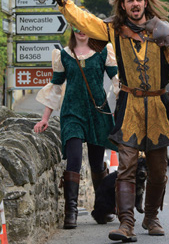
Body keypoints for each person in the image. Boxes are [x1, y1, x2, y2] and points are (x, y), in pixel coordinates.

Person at [38, 0, 169, 242]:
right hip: (130, 105)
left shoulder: (164, 31)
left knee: (158, 172)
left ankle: (151, 216)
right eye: (129, 1)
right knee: (126, 167)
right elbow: (83, 20)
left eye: (138, 0)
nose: (135, 4)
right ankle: (126, 224)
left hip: (158, 106)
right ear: (122, 5)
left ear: (145, 2)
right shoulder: (113, 29)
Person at [34, 26, 119, 229]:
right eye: (77, 27)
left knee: (97, 164)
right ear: (72, 29)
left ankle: (102, 209)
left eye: (85, 27)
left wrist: (122, 108)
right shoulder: (63, 54)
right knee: (74, 159)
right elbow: (55, 86)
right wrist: (45, 118)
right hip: (72, 111)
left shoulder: (104, 51)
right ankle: (70, 212)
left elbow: (117, 81)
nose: (81, 31)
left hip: (97, 112)